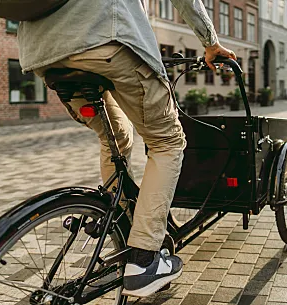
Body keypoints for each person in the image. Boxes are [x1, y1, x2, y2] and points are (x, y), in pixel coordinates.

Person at [16, 0, 236, 298]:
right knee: (167, 141)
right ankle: (144, 260)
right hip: (107, 38)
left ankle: (121, 222)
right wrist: (210, 42)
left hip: (44, 53)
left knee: (115, 139)